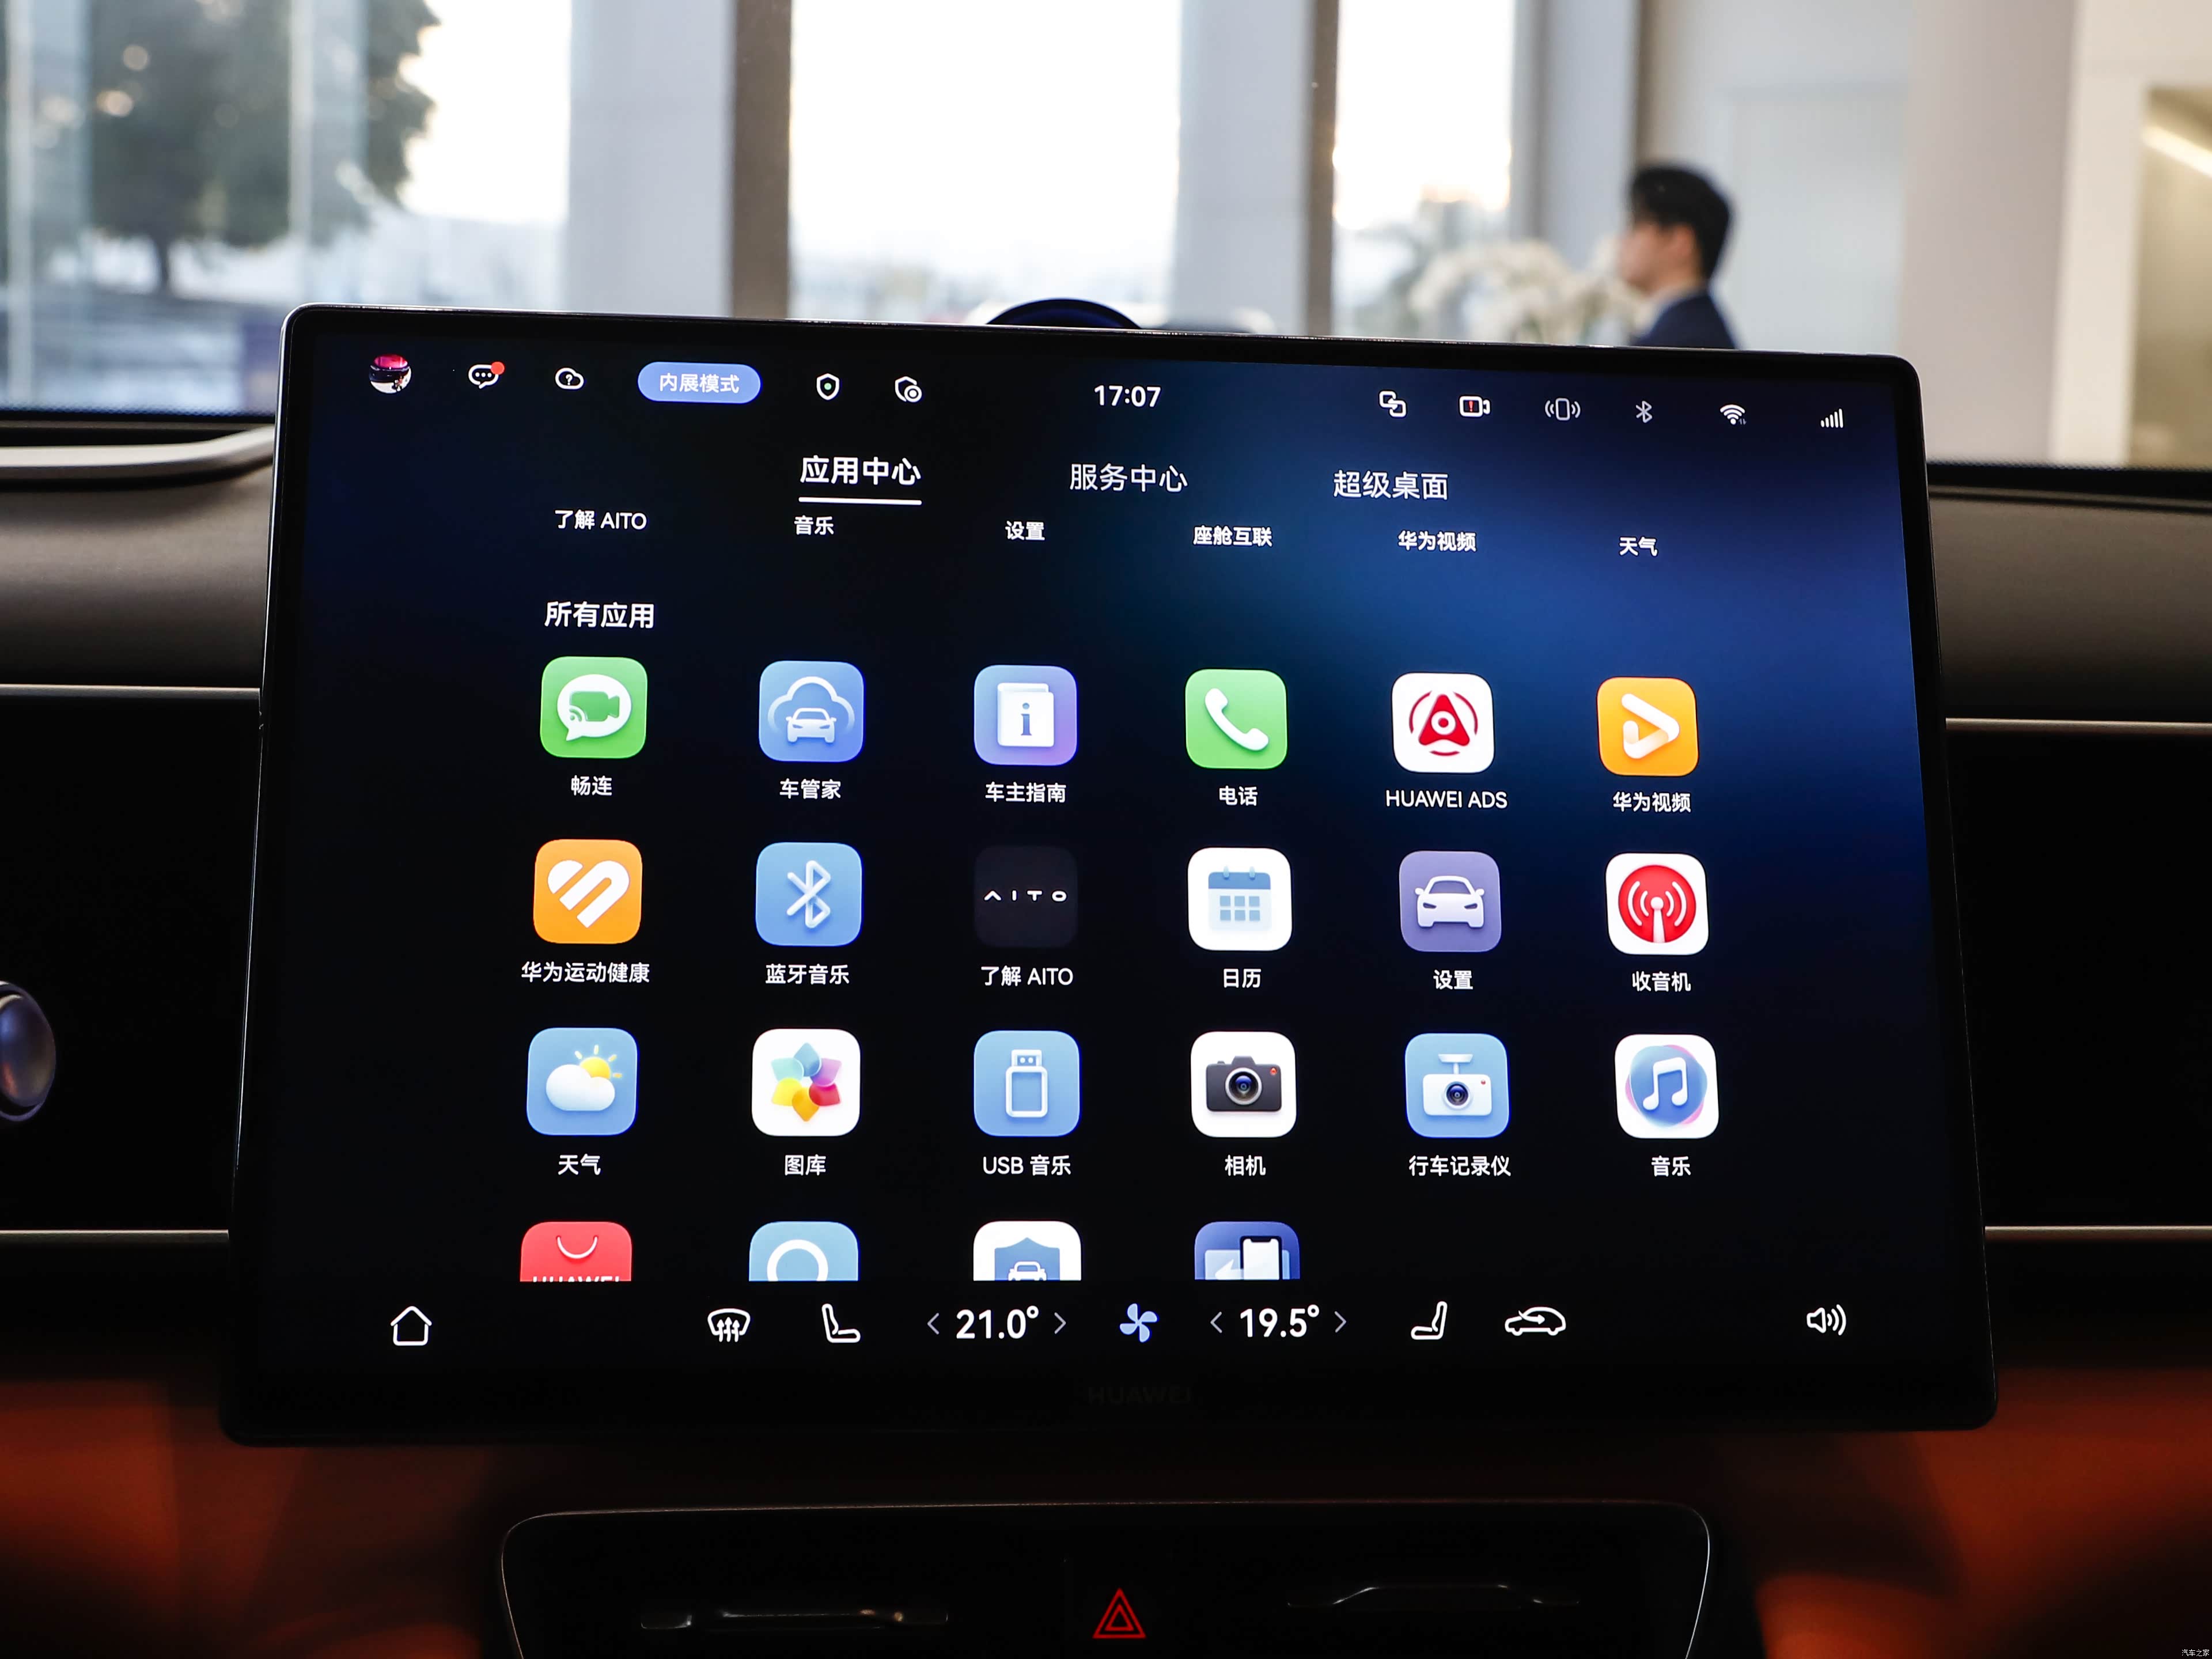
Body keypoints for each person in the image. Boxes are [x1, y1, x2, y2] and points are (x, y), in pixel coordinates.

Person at [1618, 165, 1737, 349]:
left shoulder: (1681, 344)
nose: (1623, 241)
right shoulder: (1694, 328)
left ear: (1679, 241)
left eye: (1636, 224)